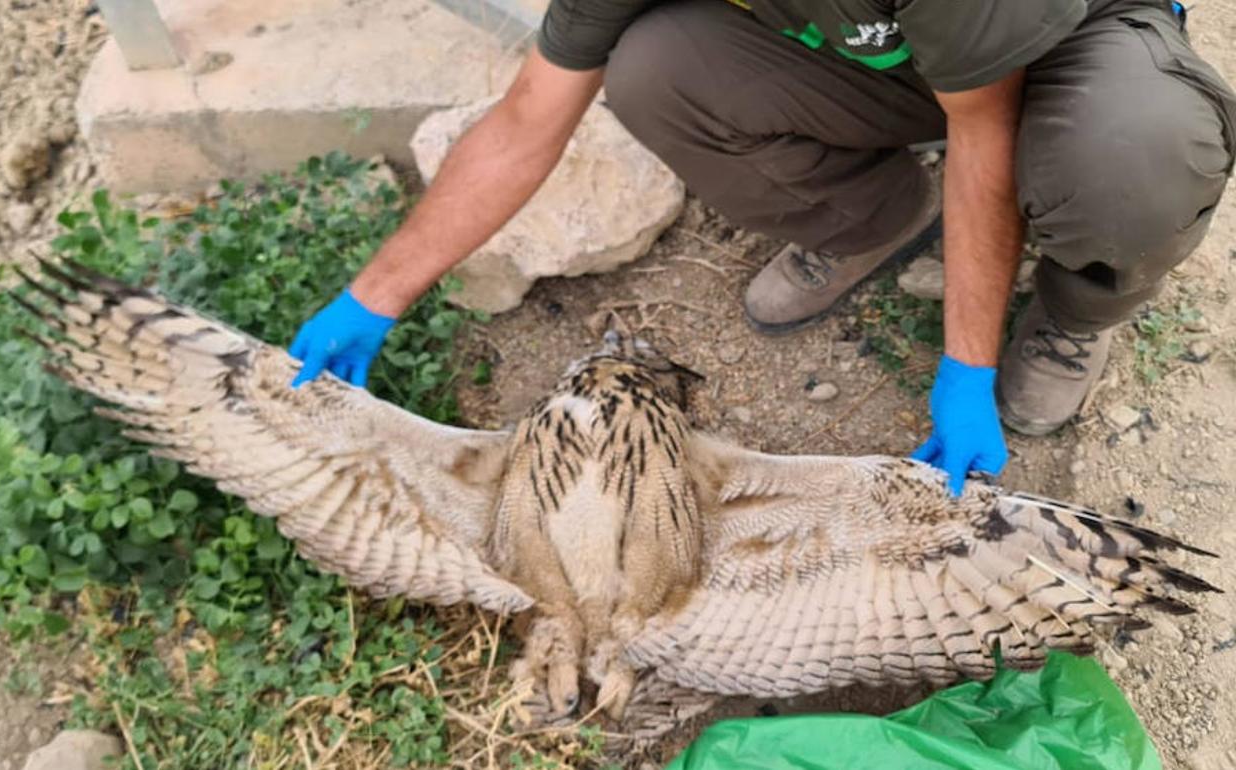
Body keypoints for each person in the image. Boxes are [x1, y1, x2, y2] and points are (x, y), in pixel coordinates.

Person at [287, 0, 1235, 495]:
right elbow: (534, 112)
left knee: (1132, 158)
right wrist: (375, 293)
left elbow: (985, 129)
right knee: (657, 66)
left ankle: (1077, 311)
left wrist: (965, 367)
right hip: (892, 45)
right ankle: (874, 219)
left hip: (1067, 37)